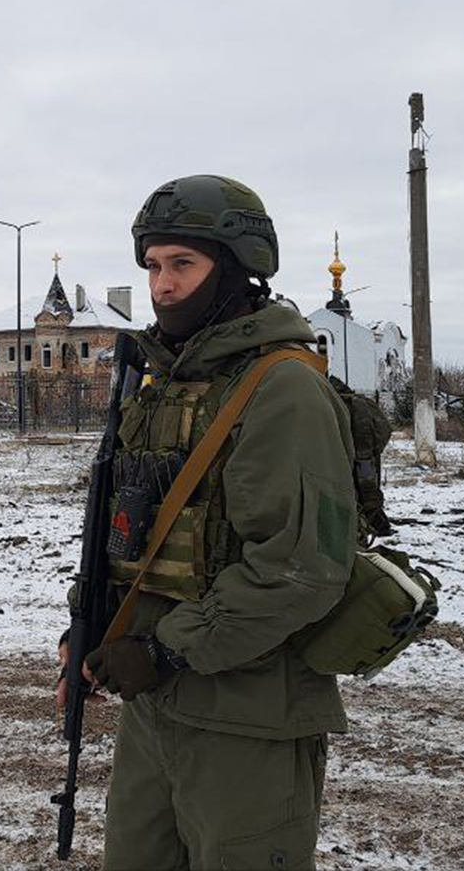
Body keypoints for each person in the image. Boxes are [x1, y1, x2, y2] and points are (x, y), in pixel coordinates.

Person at [61, 174, 357, 870]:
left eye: (182, 265)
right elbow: (121, 529)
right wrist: (87, 624)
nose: (162, 285)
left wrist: (164, 651)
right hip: (152, 707)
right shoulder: (167, 385)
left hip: (245, 715)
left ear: (235, 268)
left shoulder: (283, 387)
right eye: (154, 266)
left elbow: (298, 570)